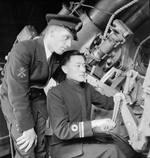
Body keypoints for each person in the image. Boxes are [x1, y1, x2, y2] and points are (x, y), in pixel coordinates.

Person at [0, 14, 82, 158]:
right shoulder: (23, 50)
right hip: (15, 99)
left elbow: (63, 79)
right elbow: (18, 93)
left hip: (37, 97)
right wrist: (27, 128)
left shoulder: (57, 56)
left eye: (71, 39)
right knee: (27, 147)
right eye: (66, 38)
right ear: (51, 33)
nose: (69, 44)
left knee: (42, 145)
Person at [47, 50, 130, 158]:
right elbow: (62, 131)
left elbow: (107, 103)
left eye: (84, 65)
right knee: (112, 150)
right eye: (78, 66)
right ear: (65, 69)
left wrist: (120, 98)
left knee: (119, 142)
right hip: (64, 147)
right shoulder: (55, 93)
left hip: (83, 140)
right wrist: (96, 124)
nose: (83, 69)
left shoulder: (86, 88)